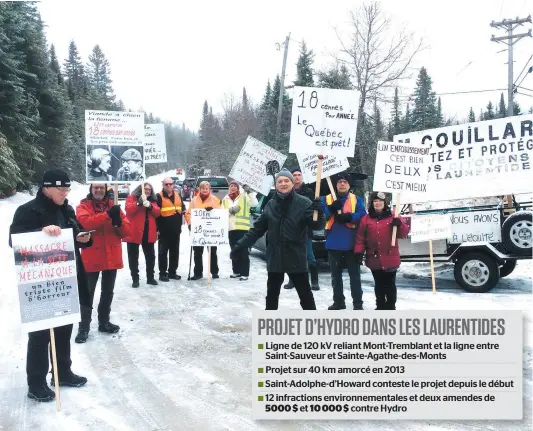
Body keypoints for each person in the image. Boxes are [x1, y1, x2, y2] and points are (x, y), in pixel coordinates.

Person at [9, 169, 90, 402]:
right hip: (40, 282)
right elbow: (14, 241)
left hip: (66, 278)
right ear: (46, 188)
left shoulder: (67, 209)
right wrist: (40, 233)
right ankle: (36, 383)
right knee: (40, 333)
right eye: (61, 188)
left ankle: (62, 372)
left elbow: (75, 234)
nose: (65, 192)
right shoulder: (27, 211)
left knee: (65, 328)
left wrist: (83, 237)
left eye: (67, 188)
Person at [230, 168, 323, 310]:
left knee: (305, 295)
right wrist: (240, 245)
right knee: (272, 296)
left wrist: (319, 213)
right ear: (276, 184)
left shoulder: (304, 203)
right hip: (275, 257)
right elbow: (257, 230)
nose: (283, 183)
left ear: (292, 183)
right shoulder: (271, 205)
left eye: (287, 181)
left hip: (296, 256)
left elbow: (316, 225)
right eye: (280, 181)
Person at [75, 183, 131, 343]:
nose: (98, 190)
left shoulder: (115, 207)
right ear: (91, 189)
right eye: (95, 188)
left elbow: (127, 231)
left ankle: (104, 322)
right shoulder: (83, 206)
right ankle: (83, 327)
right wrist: (108, 215)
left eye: (101, 188)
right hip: (92, 256)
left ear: (106, 189)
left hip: (111, 255)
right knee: (87, 294)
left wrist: (118, 222)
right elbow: (86, 223)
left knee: (108, 292)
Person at [354, 192, 410, 310]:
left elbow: (404, 233)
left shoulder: (394, 216)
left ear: (384, 203)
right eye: (375, 201)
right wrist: (358, 252)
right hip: (374, 259)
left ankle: (390, 307)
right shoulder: (366, 219)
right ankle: (380, 306)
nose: (377, 203)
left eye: (380, 201)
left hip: (390, 257)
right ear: (372, 203)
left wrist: (400, 225)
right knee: (379, 285)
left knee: (390, 285)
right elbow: (360, 238)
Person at [321, 173, 367, 310]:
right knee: (335, 276)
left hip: (351, 243)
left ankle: (358, 304)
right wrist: (331, 208)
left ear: (348, 185)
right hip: (333, 242)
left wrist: (349, 217)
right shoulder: (327, 199)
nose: (342, 184)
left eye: (345, 182)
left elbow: (363, 215)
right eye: (340, 182)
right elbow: (323, 215)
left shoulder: (355, 199)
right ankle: (338, 302)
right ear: (336, 185)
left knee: (355, 276)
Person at [284, 167, 322, 290]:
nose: (296, 177)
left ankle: (314, 281)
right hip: (290, 230)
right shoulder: (287, 192)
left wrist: (317, 207)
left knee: (309, 257)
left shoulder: (309, 192)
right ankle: (292, 280)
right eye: (294, 175)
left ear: (302, 177)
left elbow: (312, 212)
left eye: (299, 174)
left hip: (305, 230)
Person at [124, 182, 161, 287]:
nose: (148, 191)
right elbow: (128, 209)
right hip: (134, 232)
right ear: (140, 189)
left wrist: (150, 206)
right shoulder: (132, 197)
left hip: (148, 232)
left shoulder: (152, 200)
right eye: (146, 189)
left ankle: (150, 277)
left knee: (150, 257)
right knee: (133, 257)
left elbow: (157, 212)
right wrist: (139, 203)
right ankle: (135, 279)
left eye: (149, 189)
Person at [221, 180, 258, 281]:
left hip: (243, 228)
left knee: (243, 251)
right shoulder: (225, 198)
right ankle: (236, 271)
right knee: (234, 250)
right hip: (231, 228)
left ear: (238, 188)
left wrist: (250, 192)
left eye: (235, 186)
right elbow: (222, 212)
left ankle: (244, 273)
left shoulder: (244, 196)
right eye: (231, 186)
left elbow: (255, 204)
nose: (232, 187)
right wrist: (230, 211)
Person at [185, 181, 221, 280]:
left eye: (207, 188)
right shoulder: (194, 200)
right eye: (203, 188)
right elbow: (188, 213)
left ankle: (214, 272)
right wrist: (190, 224)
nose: (205, 190)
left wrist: (213, 210)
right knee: (197, 252)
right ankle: (198, 273)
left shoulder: (215, 200)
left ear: (209, 189)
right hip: (198, 230)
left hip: (211, 230)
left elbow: (220, 213)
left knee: (212, 251)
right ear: (199, 189)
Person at [156, 177, 184, 281]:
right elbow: (156, 214)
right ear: (163, 185)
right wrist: (157, 229)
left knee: (174, 252)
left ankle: (172, 272)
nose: (168, 186)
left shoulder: (178, 195)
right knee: (163, 252)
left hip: (176, 229)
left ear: (173, 185)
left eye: (170, 184)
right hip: (163, 231)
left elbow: (182, 208)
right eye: (166, 184)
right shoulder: (158, 196)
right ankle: (163, 273)